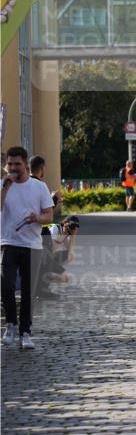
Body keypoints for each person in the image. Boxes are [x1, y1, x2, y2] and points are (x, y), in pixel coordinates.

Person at [1, 146, 54, 350]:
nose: (13, 168)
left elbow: (49, 216)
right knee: (5, 286)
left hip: (32, 244)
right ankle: (11, 325)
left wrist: (37, 218)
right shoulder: (3, 185)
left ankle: (25, 332)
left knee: (28, 292)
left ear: (25, 165)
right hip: (8, 243)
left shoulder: (38, 187)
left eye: (17, 164)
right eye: (10, 164)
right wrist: (5, 187)